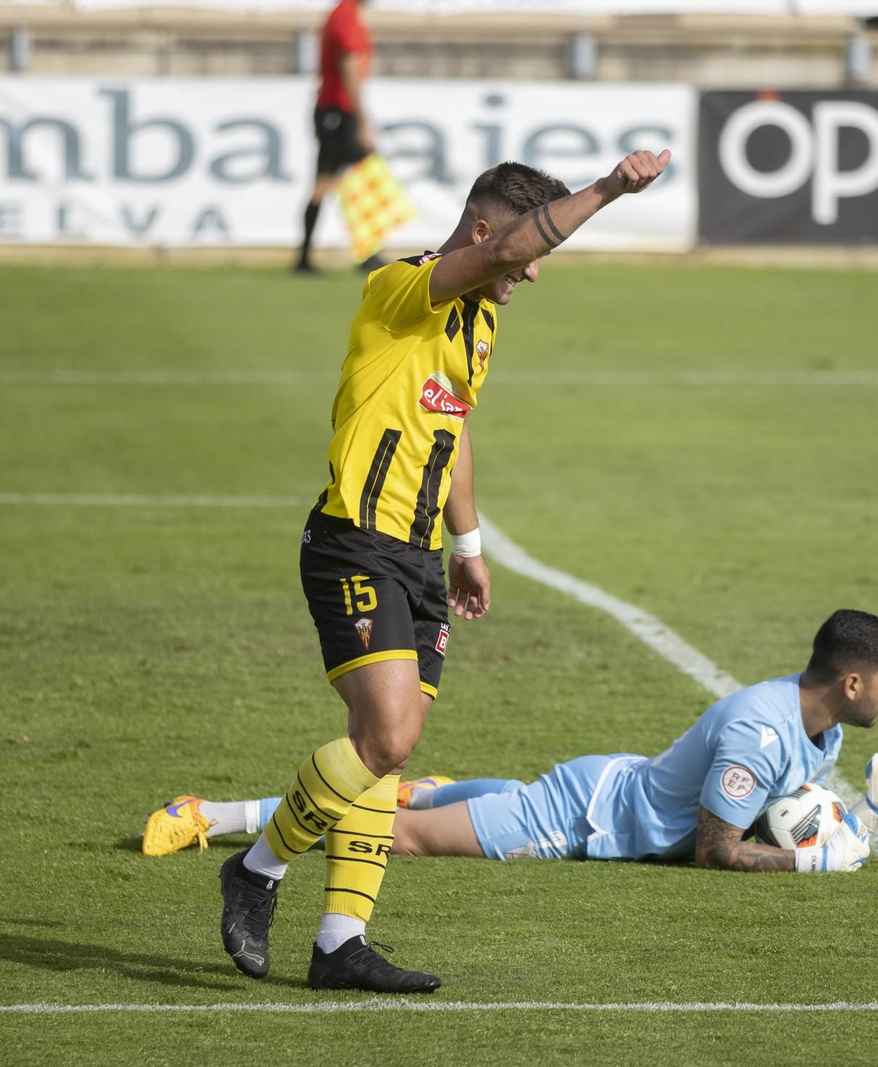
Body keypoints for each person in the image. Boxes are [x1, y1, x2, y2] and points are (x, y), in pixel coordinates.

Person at [218, 148, 672, 996]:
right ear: (483, 231)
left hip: (420, 558)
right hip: (356, 538)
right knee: (386, 735)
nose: (533, 274)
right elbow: (504, 256)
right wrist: (607, 189)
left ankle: (339, 942)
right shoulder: (400, 288)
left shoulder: (481, 326)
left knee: (381, 757)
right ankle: (255, 870)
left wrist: (466, 546)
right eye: (531, 254)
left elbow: (451, 430)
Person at [147, 611, 878, 877]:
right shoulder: (759, 733)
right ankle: (208, 814)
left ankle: (436, 788)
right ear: (850, 681)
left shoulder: (821, 725)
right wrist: (809, 863)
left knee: (413, 802)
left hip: (609, 786)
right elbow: (716, 851)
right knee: (403, 839)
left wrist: (868, 810)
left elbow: (802, 816)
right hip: (579, 819)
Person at [295, 0, 375, 273]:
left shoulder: (344, 14)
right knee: (332, 181)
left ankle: (364, 252)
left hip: (336, 111)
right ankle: (306, 257)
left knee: (354, 178)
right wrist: (362, 119)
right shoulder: (346, 17)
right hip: (339, 112)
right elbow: (349, 66)